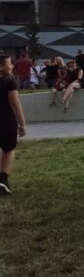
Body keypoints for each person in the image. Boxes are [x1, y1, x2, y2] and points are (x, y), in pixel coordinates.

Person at [0, 54, 28, 195]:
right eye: (9, 63)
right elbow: (15, 103)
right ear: (1, 66)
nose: (12, 66)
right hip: (6, 121)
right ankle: (3, 180)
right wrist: (22, 124)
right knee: (9, 149)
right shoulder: (9, 81)